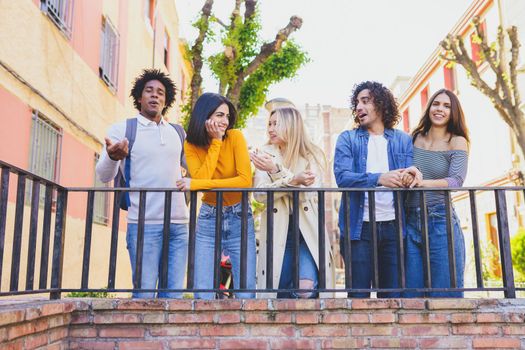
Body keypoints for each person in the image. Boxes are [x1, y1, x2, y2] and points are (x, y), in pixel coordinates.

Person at [96, 69, 188, 298]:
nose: (155, 96)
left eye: (160, 92)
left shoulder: (178, 132)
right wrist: (113, 157)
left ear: (166, 100)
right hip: (144, 225)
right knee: (144, 298)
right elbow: (103, 176)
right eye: (149, 91)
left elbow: (197, 171)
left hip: (179, 224)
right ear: (139, 97)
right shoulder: (123, 129)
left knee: (174, 299)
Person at [333, 81, 414, 298]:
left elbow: (408, 175)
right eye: (357, 102)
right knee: (358, 298)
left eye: (365, 101)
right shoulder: (348, 139)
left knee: (393, 298)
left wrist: (408, 176)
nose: (359, 107)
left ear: (381, 104)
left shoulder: (403, 140)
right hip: (359, 229)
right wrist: (380, 178)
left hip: (394, 227)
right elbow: (343, 178)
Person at [176, 92, 255, 299]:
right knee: (203, 292)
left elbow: (244, 181)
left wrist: (197, 184)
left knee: (245, 291)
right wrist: (216, 142)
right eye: (219, 115)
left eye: (227, 116)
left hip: (239, 216)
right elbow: (202, 177)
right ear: (205, 114)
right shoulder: (191, 145)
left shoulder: (236, 136)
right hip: (209, 217)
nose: (225, 121)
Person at [251, 107, 335, 298]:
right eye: (269, 124)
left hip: (308, 231)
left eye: (276, 124)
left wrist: (276, 172)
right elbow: (260, 195)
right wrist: (293, 180)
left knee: (305, 289)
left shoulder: (312, 155)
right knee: (278, 291)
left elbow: (308, 194)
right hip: (279, 231)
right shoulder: (265, 153)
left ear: (292, 125)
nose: (271, 129)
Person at [402, 88, 469, 298]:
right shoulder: (413, 139)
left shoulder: (457, 141)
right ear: (429, 107)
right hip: (409, 219)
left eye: (447, 106)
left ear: (453, 112)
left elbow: (455, 181)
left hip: (440, 220)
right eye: (436, 104)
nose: (440, 109)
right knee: (411, 296)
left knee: (445, 295)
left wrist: (422, 183)